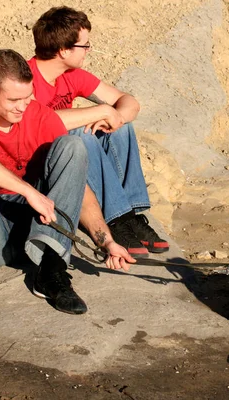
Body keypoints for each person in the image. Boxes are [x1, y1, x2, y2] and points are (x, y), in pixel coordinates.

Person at [0, 49, 135, 332]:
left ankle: (52, 272)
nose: (23, 106)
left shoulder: (37, 115)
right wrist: (28, 191)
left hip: (33, 235)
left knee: (73, 147)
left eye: (28, 97)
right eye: (14, 99)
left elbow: (76, 183)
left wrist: (106, 241)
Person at [27, 6, 169, 259]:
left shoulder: (72, 75)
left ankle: (131, 214)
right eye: (85, 45)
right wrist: (100, 111)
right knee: (82, 134)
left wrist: (116, 117)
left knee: (120, 128)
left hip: (71, 156)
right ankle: (116, 219)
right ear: (63, 50)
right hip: (44, 170)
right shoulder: (26, 78)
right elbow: (42, 121)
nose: (89, 50)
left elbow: (129, 101)